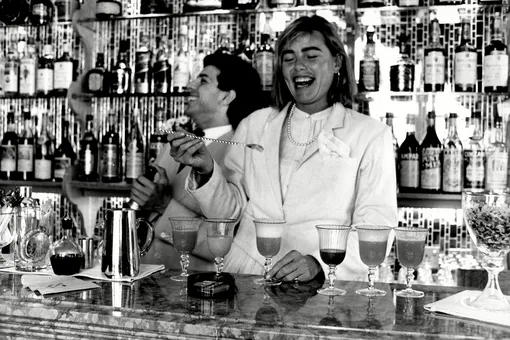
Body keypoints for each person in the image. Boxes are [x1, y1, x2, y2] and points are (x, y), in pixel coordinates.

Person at [167, 15, 398, 282]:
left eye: (311, 56)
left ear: (336, 62)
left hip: (322, 285)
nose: (298, 66)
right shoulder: (255, 124)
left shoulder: (370, 134)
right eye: (289, 58)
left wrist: (318, 264)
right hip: (246, 277)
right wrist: (208, 171)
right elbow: (229, 213)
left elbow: (376, 228)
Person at [129, 53, 263, 271]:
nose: (189, 85)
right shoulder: (171, 146)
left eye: (203, 81)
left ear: (226, 97)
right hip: (146, 280)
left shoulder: (241, 152)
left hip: (195, 291)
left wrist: (163, 205)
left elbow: (230, 241)